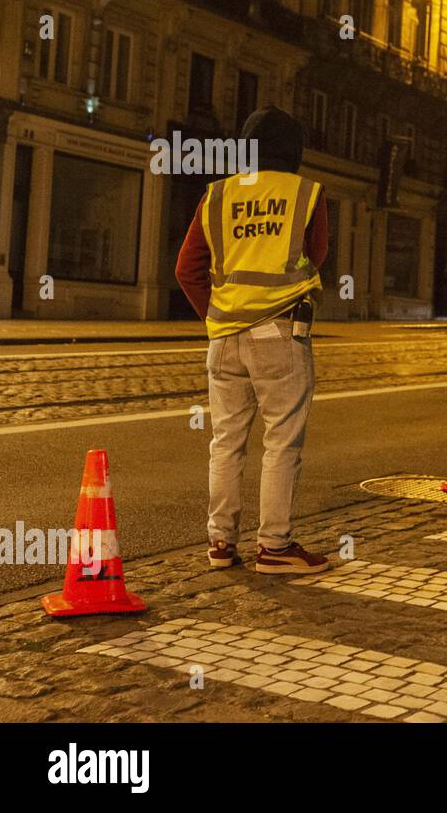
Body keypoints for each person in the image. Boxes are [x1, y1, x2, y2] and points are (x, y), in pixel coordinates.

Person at [175, 107, 330, 574]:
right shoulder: (306, 193)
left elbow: (187, 269)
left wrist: (219, 317)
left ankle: (221, 544)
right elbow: (316, 256)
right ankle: (275, 547)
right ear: (295, 151)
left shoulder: (216, 195)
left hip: (224, 340)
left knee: (225, 441)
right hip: (281, 333)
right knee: (281, 442)